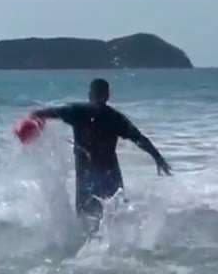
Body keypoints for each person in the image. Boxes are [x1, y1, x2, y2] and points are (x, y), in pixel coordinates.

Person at [32, 79, 171, 226]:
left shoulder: (76, 111)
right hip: (110, 176)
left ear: (90, 94)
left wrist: (32, 121)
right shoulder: (115, 117)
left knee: (85, 219)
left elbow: (44, 113)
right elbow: (140, 139)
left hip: (86, 176)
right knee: (116, 217)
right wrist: (158, 158)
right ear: (107, 95)